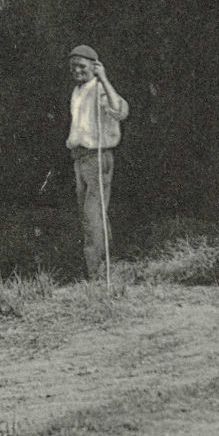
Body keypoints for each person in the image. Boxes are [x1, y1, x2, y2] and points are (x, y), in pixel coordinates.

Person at [65, 44, 131, 286]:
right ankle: (106, 264)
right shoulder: (77, 91)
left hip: (98, 156)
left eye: (82, 67)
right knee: (91, 213)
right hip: (79, 157)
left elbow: (119, 111)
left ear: (95, 67)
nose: (77, 71)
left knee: (92, 213)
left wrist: (104, 79)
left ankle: (95, 274)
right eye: (73, 67)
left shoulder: (101, 90)